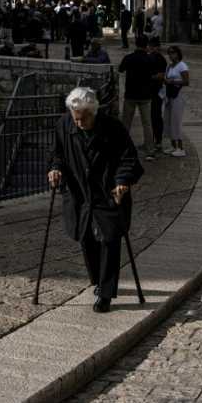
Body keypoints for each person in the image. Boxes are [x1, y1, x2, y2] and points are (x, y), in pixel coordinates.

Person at [48, 87, 144, 313]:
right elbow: (57, 153)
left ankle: (106, 293)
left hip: (108, 193)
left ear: (94, 112)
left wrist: (122, 180)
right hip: (80, 194)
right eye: (76, 118)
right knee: (86, 238)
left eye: (83, 119)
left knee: (110, 240)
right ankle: (98, 281)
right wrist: (55, 168)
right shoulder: (64, 125)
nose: (79, 123)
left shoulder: (113, 128)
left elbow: (128, 158)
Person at [118, 34, 158, 160]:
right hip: (146, 95)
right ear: (146, 45)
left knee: (126, 123)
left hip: (130, 94)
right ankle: (150, 150)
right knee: (147, 124)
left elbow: (120, 69)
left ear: (135, 44)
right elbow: (154, 74)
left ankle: (122, 149)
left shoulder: (129, 58)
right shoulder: (150, 59)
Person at [163, 46, 189, 157]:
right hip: (169, 95)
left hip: (178, 95)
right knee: (168, 121)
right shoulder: (169, 66)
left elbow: (186, 81)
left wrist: (173, 81)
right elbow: (166, 79)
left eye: (173, 53)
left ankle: (181, 147)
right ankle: (173, 145)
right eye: (169, 53)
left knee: (176, 121)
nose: (171, 55)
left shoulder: (182, 66)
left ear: (178, 54)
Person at [148, 38, 168, 155]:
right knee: (153, 116)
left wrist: (149, 77)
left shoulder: (159, 59)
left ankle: (157, 141)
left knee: (155, 116)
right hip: (154, 91)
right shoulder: (153, 57)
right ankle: (155, 140)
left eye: (151, 46)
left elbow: (161, 75)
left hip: (156, 91)